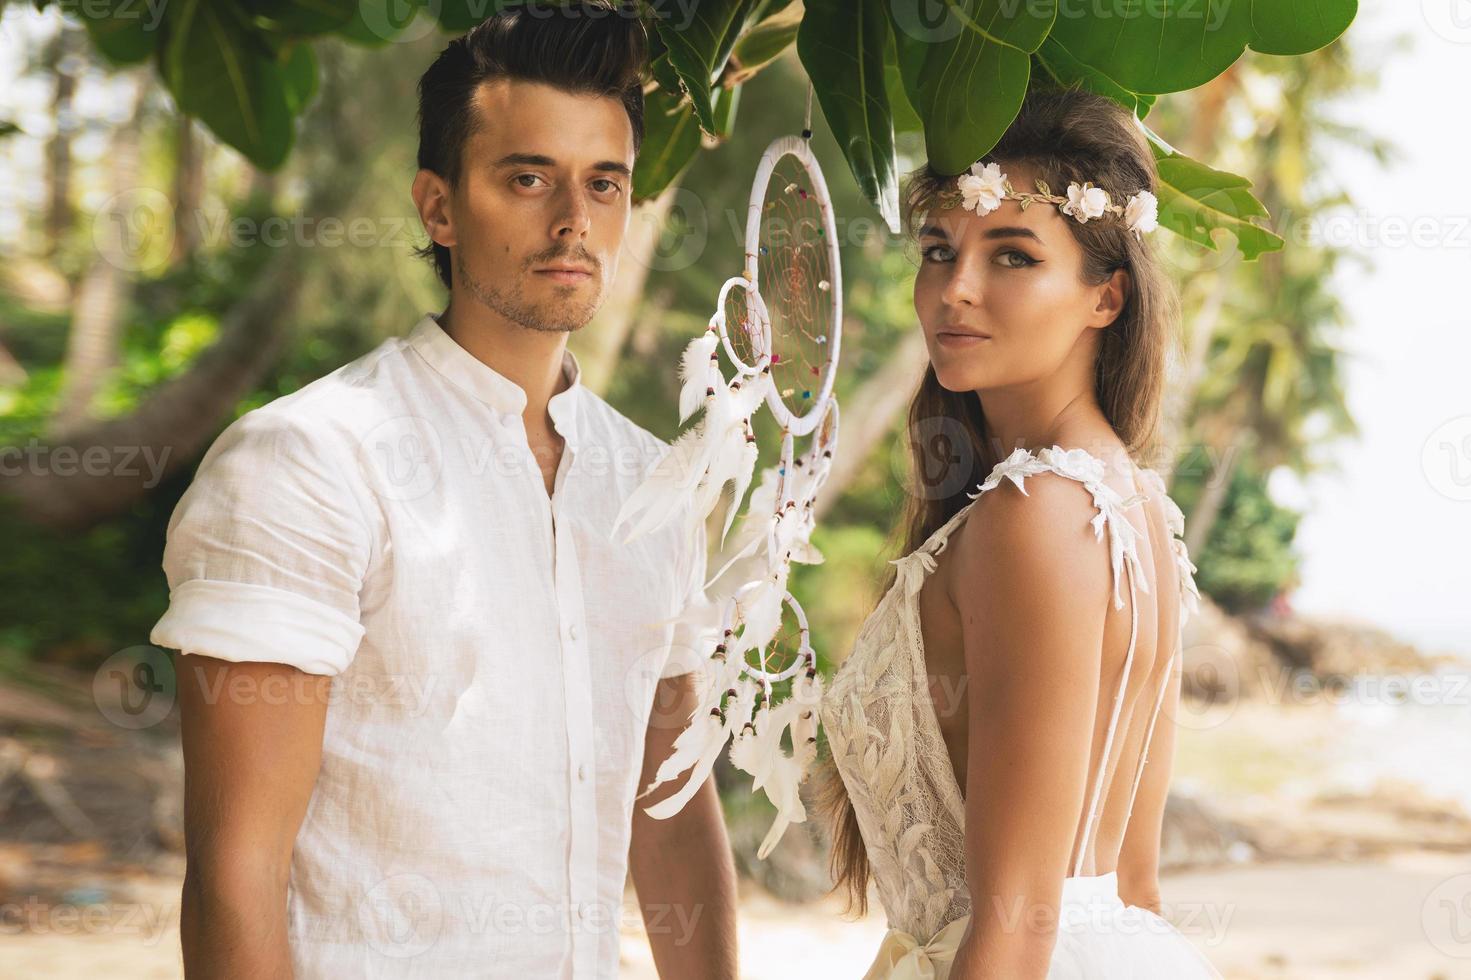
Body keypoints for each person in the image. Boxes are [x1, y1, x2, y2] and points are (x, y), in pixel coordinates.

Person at [149, 5, 737, 977]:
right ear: (438, 205)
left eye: (604, 184)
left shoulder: (652, 484)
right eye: (527, 177)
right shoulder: (309, 460)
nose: (572, 221)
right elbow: (234, 874)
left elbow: (668, 808)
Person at [815, 86, 1225, 978]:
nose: (955, 290)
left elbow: (1014, 926)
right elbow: (1133, 888)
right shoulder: (1137, 512)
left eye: (1011, 256)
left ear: (1104, 299)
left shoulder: (1035, 516)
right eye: (938, 250)